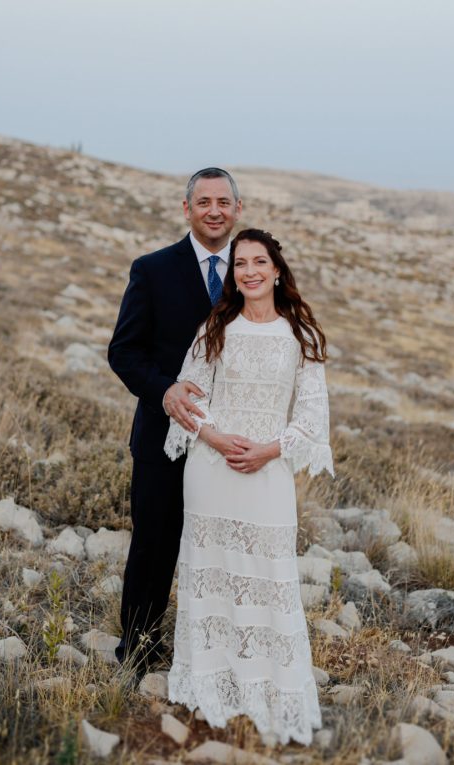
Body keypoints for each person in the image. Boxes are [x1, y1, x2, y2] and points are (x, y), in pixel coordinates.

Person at [163, 228, 333, 746]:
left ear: (277, 270)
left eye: (260, 262)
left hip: (267, 471)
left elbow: (311, 416)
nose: (250, 271)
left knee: (268, 579)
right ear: (232, 273)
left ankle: (267, 694)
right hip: (212, 471)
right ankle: (209, 690)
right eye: (240, 264)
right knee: (209, 578)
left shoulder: (300, 337)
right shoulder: (215, 327)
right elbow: (189, 396)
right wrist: (214, 437)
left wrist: (268, 449)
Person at [108, 168, 242, 671]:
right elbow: (123, 351)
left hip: (230, 442)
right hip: (163, 439)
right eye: (203, 201)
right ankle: (137, 652)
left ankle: (211, 655)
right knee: (154, 550)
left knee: (222, 553)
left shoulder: (250, 272)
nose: (214, 210)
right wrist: (164, 390)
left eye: (223, 202)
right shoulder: (152, 269)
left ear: (237, 210)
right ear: (186, 209)